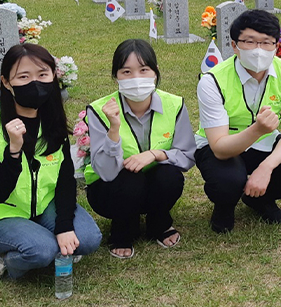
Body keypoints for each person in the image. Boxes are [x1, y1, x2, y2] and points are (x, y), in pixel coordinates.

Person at [195, 9, 281, 233]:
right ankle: (225, 205)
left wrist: (266, 167)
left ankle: (259, 199)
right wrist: (257, 129)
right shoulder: (212, 81)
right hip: (222, 147)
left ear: (276, 46)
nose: (258, 50)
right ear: (234, 46)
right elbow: (220, 148)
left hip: (264, 143)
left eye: (266, 43)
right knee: (228, 181)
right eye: (249, 42)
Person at [85, 40, 196, 259]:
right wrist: (114, 130)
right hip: (111, 189)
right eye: (126, 71)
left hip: (154, 183)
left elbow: (187, 155)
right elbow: (105, 173)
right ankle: (122, 231)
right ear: (115, 77)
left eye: (144, 70)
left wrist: (155, 154)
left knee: (170, 175)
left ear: (155, 73)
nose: (136, 78)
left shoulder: (174, 104)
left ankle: (159, 223)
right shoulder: (99, 110)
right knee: (130, 180)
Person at [0, 44, 101, 279]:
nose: (35, 83)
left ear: (53, 76)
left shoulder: (51, 121)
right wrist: (14, 152)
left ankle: (42, 238)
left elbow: (65, 180)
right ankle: (9, 262)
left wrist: (64, 225)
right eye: (23, 77)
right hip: (5, 212)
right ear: (6, 82)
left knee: (88, 239)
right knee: (42, 250)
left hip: (43, 205)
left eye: (43, 74)